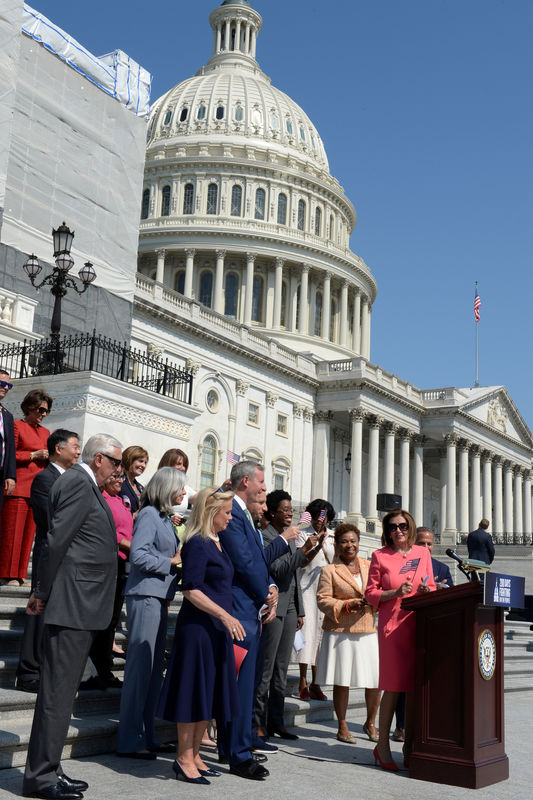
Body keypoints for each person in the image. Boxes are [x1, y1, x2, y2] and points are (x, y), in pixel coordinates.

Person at [22, 432, 123, 800]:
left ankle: (51, 768)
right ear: (99, 459)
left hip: (81, 603)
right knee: (57, 695)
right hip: (71, 602)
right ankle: (40, 777)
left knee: (63, 696)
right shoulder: (78, 483)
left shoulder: (82, 483)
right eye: (116, 463)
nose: (118, 471)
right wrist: (41, 592)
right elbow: (55, 540)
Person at [158, 488, 243, 784]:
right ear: (211, 512)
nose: (231, 518)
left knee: (207, 691)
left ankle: (194, 753)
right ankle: (183, 756)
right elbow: (191, 589)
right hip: (198, 629)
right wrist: (224, 614)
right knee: (192, 690)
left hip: (216, 630)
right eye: (227, 512)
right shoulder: (196, 543)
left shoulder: (218, 543)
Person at [216, 460, 288, 781]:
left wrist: (270, 588)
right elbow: (243, 560)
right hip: (240, 609)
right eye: (261, 482)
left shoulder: (244, 513)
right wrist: (266, 592)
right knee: (241, 687)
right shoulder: (231, 509)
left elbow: (256, 559)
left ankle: (235, 746)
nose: (264, 488)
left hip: (250, 608)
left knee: (241, 686)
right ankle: (239, 754)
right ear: (246, 480)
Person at [116, 467, 185, 759]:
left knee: (154, 672)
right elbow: (139, 554)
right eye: (180, 487)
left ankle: (147, 734)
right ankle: (129, 740)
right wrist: (171, 561)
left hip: (159, 597)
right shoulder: (147, 515)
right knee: (140, 670)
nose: (184, 492)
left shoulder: (164, 519)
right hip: (144, 595)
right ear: (166, 487)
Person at [365, 509, 435, 771]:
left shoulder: (423, 553)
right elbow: (371, 593)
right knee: (393, 686)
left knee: (415, 688)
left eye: (403, 526)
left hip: (418, 624)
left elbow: (431, 585)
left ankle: (410, 747)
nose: (398, 531)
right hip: (392, 626)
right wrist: (394, 591)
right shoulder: (380, 556)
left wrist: (428, 590)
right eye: (393, 527)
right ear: (387, 531)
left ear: (411, 527)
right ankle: (382, 744)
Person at [15, 429, 80, 693]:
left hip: (67, 557)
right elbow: (48, 519)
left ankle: (46, 668)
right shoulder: (45, 478)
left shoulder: (74, 479)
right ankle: (28, 672)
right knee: (37, 612)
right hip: (48, 554)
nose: (78, 451)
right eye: (74, 446)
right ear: (58, 449)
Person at [254, 490, 319, 741]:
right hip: (274, 606)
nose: (290, 513)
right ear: (272, 512)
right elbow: (278, 570)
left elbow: (295, 577)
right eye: (285, 510)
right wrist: (301, 553)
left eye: (291, 509)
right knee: (267, 668)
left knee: (282, 667)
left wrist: (300, 609)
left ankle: (277, 721)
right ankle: (258, 722)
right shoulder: (269, 536)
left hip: (291, 605)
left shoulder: (290, 537)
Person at [316, 523, 381, 744]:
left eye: (353, 541)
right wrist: (345, 605)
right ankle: (342, 725)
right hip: (340, 631)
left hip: (366, 629)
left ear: (359, 543)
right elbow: (322, 600)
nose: (349, 545)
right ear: (336, 544)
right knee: (342, 680)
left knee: (374, 680)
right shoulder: (329, 570)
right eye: (344, 541)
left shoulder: (369, 565)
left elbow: (377, 592)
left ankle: (370, 722)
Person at [80, 472, 134, 690]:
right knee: (100, 618)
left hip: (122, 564)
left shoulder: (120, 500)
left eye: (122, 478)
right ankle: (93, 669)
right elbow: (109, 533)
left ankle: (103, 669)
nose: (121, 481)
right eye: (116, 477)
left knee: (111, 619)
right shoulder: (100, 499)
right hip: (106, 561)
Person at [0, 389, 52, 585]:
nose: (43, 414)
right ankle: (7, 573)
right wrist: (33, 455)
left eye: (47, 411)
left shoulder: (46, 432)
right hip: (19, 486)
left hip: (37, 489)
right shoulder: (17, 426)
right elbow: (10, 455)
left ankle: (20, 574)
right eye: (41, 409)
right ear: (30, 407)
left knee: (29, 533)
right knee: (12, 532)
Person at [295, 498, 336, 701]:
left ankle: (316, 682)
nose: (321, 520)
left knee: (322, 636)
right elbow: (301, 562)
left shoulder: (334, 536)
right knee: (308, 634)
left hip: (326, 591)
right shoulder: (303, 535)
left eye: (325, 516)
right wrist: (318, 546)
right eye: (319, 515)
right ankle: (302, 680)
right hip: (307, 589)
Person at [157, 448, 197, 523]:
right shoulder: (157, 485)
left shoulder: (185, 488)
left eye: (184, 465)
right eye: (178, 464)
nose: (183, 468)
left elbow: (204, 499)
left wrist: (222, 489)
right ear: (168, 464)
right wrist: (169, 518)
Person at [0, 367, 16, 518]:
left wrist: (10, 475)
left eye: (8, 385)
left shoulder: (7, 416)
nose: (6, 388)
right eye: (2, 384)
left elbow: (10, 447)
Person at [119, 445, 149, 516]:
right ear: (130, 459)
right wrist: (133, 515)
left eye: (145, 463)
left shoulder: (141, 488)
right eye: (140, 461)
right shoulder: (118, 483)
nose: (144, 465)